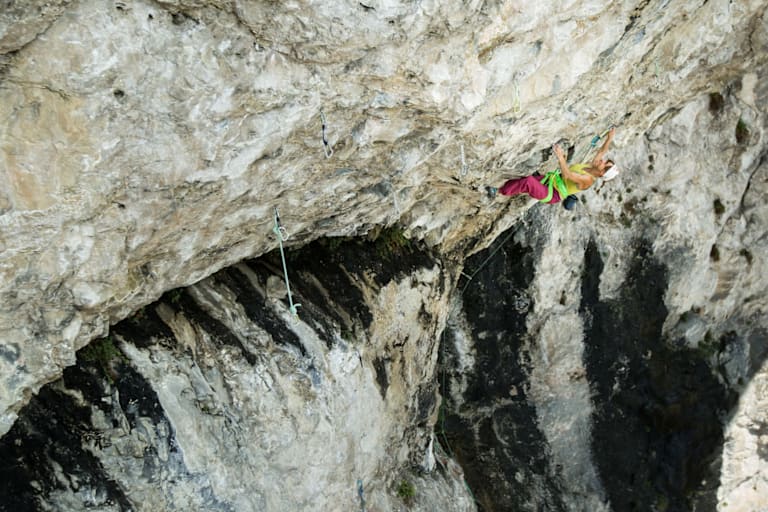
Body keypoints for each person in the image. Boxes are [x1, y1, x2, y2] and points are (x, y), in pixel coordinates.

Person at [488, 127, 619, 207]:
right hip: (550, 181)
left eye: (604, 164)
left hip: (552, 194)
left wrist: (561, 158)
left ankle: (498, 192)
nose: (602, 160)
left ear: (601, 173)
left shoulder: (588, 180)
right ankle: (507, 188)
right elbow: (602, 151)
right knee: (523, 180)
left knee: (528, 182)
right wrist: (609, 137)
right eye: (605, 161)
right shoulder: (593, 166)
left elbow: (568, 175)